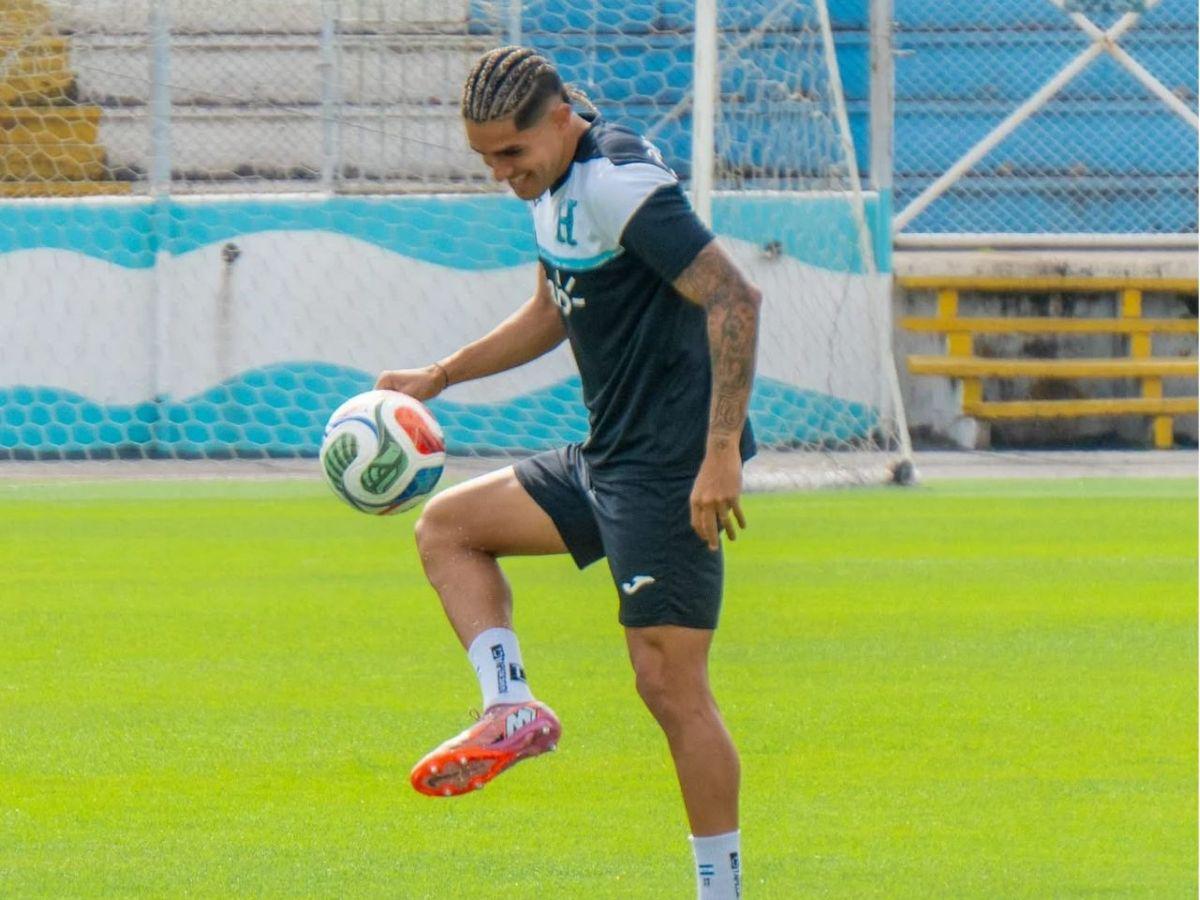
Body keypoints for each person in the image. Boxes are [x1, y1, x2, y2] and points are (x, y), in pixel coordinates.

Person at [376, 46, 761, 900]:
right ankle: (510, 708)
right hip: (608, 457)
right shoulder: (554, 187)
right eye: (485, 160)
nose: (500, 174)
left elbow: (735, 299)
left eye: (511, 154)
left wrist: (721, 450)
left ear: (560, 119)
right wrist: (439, 376)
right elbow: (556, 305)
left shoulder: (617, 182)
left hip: (669, 469)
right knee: (448, 528)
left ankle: (721, 892)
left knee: (670, 689)